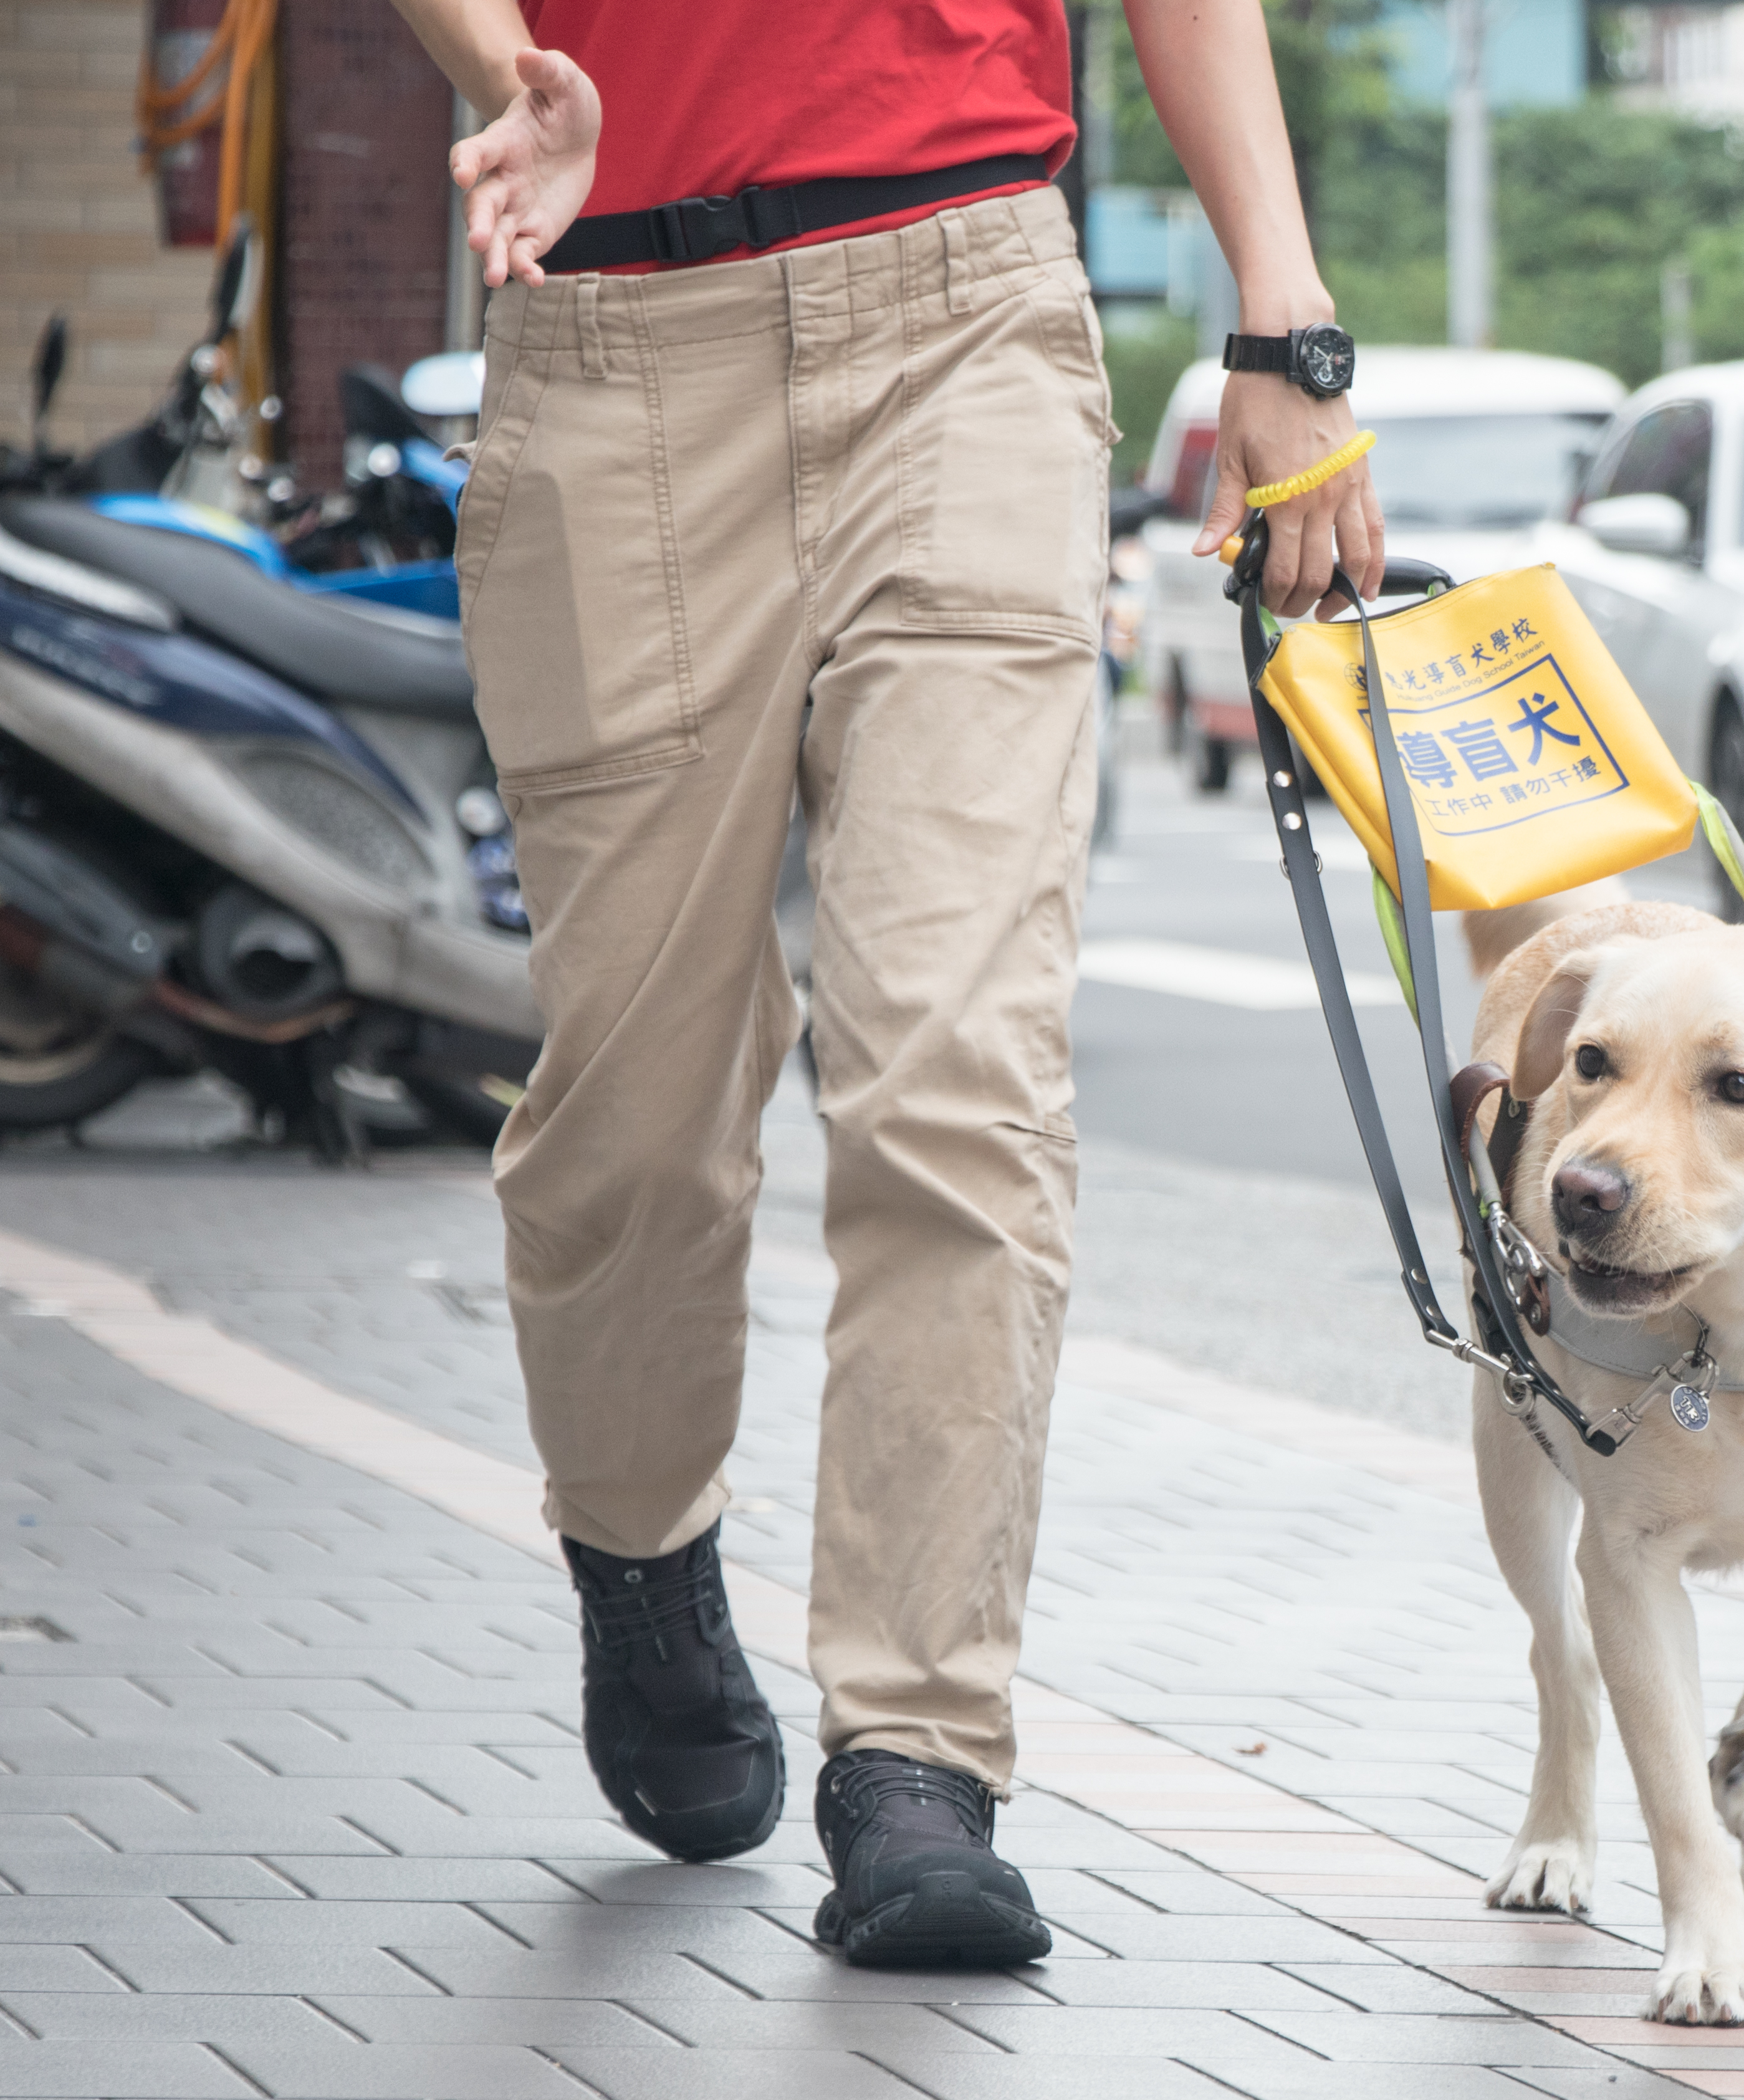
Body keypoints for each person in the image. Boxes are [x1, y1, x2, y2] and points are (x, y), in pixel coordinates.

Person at [386, 0, 1383, 1968]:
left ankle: (918, 1751)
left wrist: (1283, 312)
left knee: (953, 1064)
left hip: (966, 315)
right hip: (612, 338)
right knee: (640, 1123)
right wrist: (508, 79)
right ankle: (645, 1552)